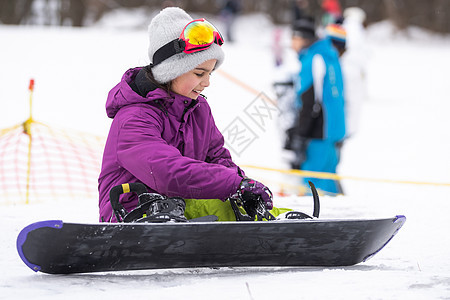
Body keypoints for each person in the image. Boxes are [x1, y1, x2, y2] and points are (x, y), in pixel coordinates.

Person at [98, 7, 290, 223]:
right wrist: (232, 184)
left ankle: (286, 228)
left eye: (210, 73)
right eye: (199, 73)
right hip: (133, 214)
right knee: (217, 207)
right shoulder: (134, 117)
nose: (207, 83)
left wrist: (242, 187)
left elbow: (217, 158)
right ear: (171, 71)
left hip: (181, 208)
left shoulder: (198, 110)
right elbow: (165, 171)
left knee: (238, 209)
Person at [286, 16, 346, 195]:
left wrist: (301, 134)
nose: (291, 44)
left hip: (319, 130)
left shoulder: (313, 58)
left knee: (313, 182)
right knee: (328, 177)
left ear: (302, 39)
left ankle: (321, 218)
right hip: (334, 127)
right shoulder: (328, 53)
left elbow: (310, 100)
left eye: (293, 39)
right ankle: (344, 213)